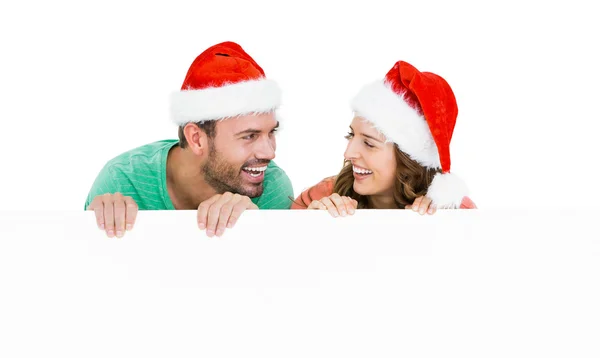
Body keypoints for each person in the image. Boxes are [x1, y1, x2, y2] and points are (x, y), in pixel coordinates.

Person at [85, 41, 294, 238]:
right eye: (249, 136)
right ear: (196, 138)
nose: (269, 153)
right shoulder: (122, 181)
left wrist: (255, 228)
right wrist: (94, 232)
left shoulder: (272, 187)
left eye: (271, 133)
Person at [291, 60, 476, 215]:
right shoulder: (323, 196)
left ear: (408, 158)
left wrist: (447, 227)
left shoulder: (454, 210)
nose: (348, 153)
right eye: (351, 135)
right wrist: (310, 224)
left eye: (369, 143)